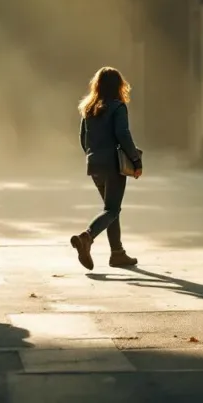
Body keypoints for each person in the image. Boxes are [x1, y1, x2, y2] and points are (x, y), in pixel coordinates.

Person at [69, 67, 142, 271]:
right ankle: (87, 237)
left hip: (94, 164)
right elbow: (123, 134)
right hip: (113, 164)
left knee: (110, 209)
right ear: (118, 85)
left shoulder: (88, 109)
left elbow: (83, 139)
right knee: (112, 209)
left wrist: (93, 156)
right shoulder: (118, 107)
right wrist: (136, 160)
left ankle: (117, 253)